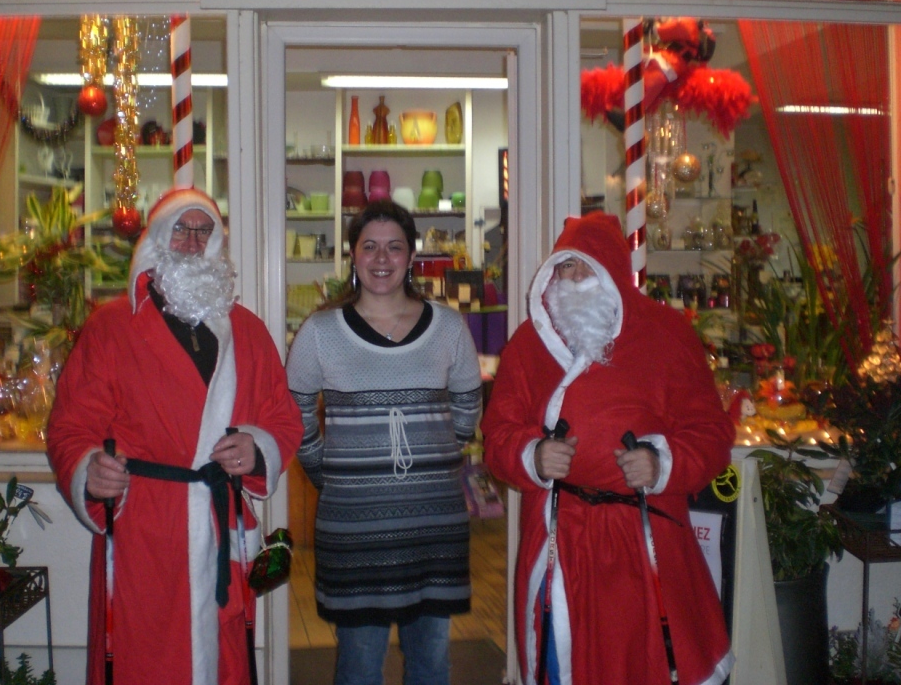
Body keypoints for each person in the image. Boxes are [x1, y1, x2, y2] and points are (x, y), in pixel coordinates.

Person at [46, 186, 303, 685]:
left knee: (223, 657)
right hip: (143, 529)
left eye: (203, 231)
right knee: (145, 660)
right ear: (157, 239)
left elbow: (283, 418)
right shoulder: (111, 327)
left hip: (219, 525)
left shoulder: (248, 331)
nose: (191, 243)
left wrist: (257, 449)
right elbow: (70, 425)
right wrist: (87, 469)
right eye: (180, 230)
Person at [481, 211, 734, 685]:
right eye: (565, 265)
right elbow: (496, 436)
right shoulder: (528, 345)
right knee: (563, 663)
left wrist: (661, 463)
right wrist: (532, 456)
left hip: (644, 538)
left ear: (613, 270)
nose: (574, 276)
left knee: (644, 664)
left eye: (586, 264)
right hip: (558, 539)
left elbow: (711, 433)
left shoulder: (667, 334)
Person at [286, 199, 483, 685]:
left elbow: (467, 406)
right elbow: (294, 412)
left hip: (433, 528)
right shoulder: (321, 332)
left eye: (394, 247)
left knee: (431, 665)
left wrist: (433, 462)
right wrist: (329, 474)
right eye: (369, 246)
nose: (381, 258)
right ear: (352, 255)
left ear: (411, 256)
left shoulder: (448, 328)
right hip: (356, 532)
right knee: (358, 666)